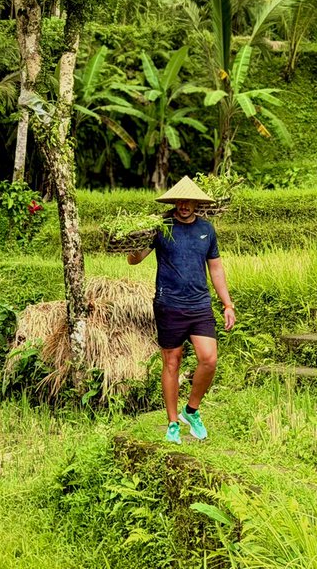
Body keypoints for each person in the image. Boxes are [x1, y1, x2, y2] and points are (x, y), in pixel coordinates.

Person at [127, 176, 235, 443]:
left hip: (199, 304)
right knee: (171, 362)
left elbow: (216, 269)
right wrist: (131, 242)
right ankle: (173, 422)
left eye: (189, 201)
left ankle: (192, 410)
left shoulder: (207, 230)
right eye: (180, 201)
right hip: (169, 304)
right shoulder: (161, 227)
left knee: (209, 359)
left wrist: (227, 304)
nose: (184, 205)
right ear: (175, 202)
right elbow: (134, 260)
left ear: (196, 203)